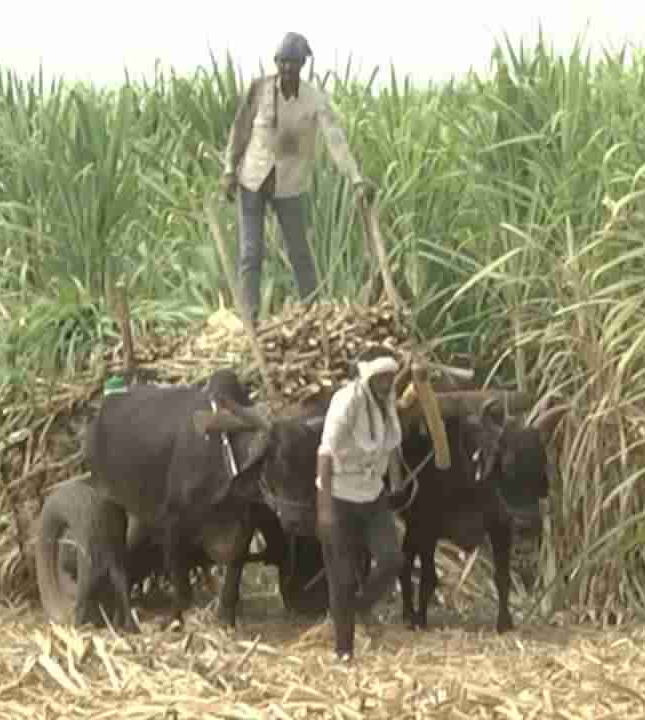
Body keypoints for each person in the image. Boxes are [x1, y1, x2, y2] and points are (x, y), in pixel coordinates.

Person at [221, 31, 377, 326]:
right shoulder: (259, 90)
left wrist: (355, 177)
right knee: (251, 253)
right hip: (253, 179)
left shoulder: (313, 99)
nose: (288, 69)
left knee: (300, 253)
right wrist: (229, 169)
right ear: (276, 62)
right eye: (283, 62)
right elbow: (239, 130)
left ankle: (313, 314)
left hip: (290, 185)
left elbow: (335, 139)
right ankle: (250, 319)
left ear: (304, 64)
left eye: (294, 63)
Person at [314, 347, 406, 661]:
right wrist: (324, 509)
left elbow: (390, 444)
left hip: (372, 494)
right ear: (368, 377)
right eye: (381, 378)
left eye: (390, 377)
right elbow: (325, 453)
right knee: (341, 577)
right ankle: (344, 651)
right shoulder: (347, 401)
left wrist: (395, 482)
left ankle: (362, 605)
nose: (386, 383)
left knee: (392, 559)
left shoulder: (388, 402)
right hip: (339, 495)